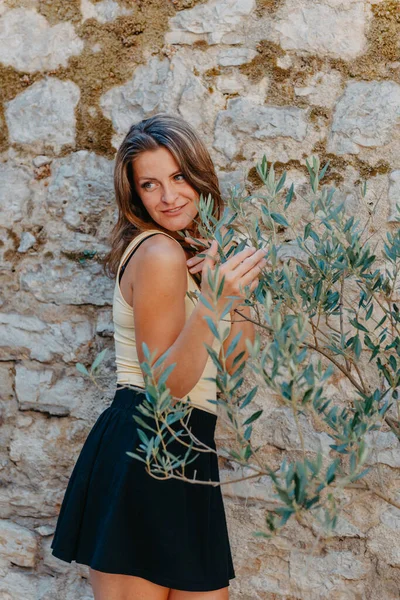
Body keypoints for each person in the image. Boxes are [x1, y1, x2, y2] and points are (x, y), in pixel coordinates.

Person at [50, 113, 267, 599]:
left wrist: (233, 293)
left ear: (199, 176)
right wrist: (212, 302)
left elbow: (232, 366)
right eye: (150, 184)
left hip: (189, 451)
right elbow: (166, 388)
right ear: (135, 196)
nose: (168, 196)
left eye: (178, 177)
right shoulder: (159, 255)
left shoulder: (193, 253)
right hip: (147, 444)